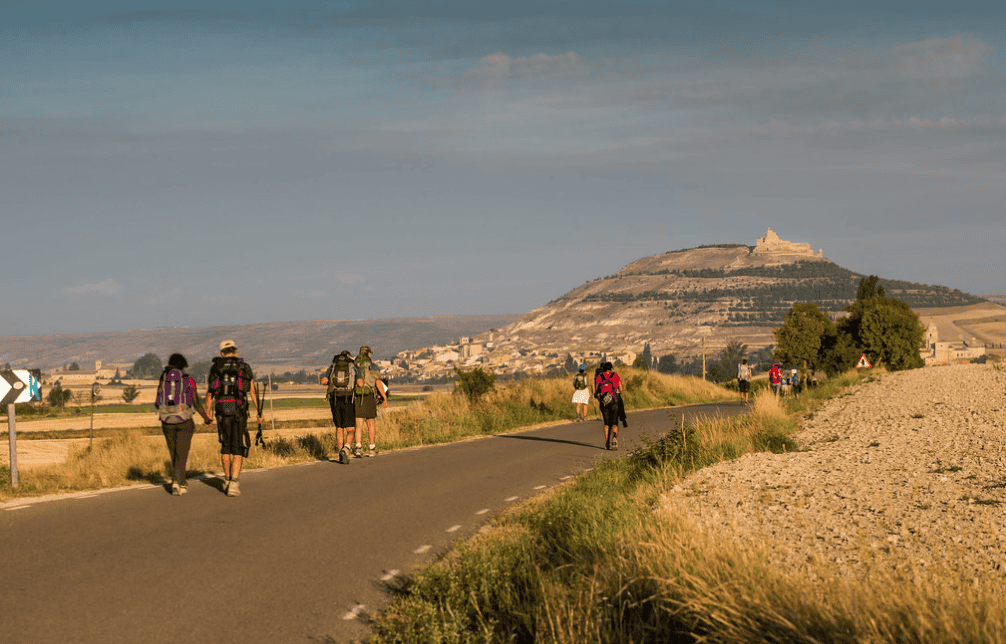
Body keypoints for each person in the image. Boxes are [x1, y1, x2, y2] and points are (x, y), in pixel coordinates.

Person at [206, 340, 261, 497]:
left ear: (222, 352)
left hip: (222, 411)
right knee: (238, 447)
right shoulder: (244, 366)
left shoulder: (216, 367)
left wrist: (207, 414)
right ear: (235, 351)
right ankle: (234, 483)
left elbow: (210, 393)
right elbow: (252, 391)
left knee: (225, 446)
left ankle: (227, 479)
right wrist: (259, 412)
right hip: (238, 410)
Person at [155, 353, 212, 496]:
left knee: (173, 451)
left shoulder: (163, 378)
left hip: (166, 421)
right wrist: (206, 418)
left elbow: (157, 402)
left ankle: (179, 480)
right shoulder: (188, 379)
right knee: (182, 453)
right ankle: (178, 481)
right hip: (184, 420)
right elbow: (196, 401)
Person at [320, 350, 357, 462]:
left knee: (339, 427)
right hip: (348, 398)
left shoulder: (333, 366)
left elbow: (323, 381)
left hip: (335, 399)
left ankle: (340, 451)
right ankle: (346, 449)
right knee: (351, 429)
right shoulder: (353, 366)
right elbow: (360, 383)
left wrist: (332, 383)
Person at [353, 345, 387, 457]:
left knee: (358, 424)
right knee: (370, 423)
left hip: (357, 396)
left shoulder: (354, 365)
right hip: (369, 396)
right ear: (369, 354)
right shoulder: (373, 366)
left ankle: (358, 447)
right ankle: (372, 448)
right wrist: (384, 397)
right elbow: (377, 383)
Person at [594, 361, 621, 450]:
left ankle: (606, 443)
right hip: (614, 402)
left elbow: (597, 391)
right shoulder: (615, 375)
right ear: (611, 368)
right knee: (614, 423)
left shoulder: (599, 377)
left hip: (604, 403)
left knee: (606, 423)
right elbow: (621, 389)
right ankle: (614, 439)